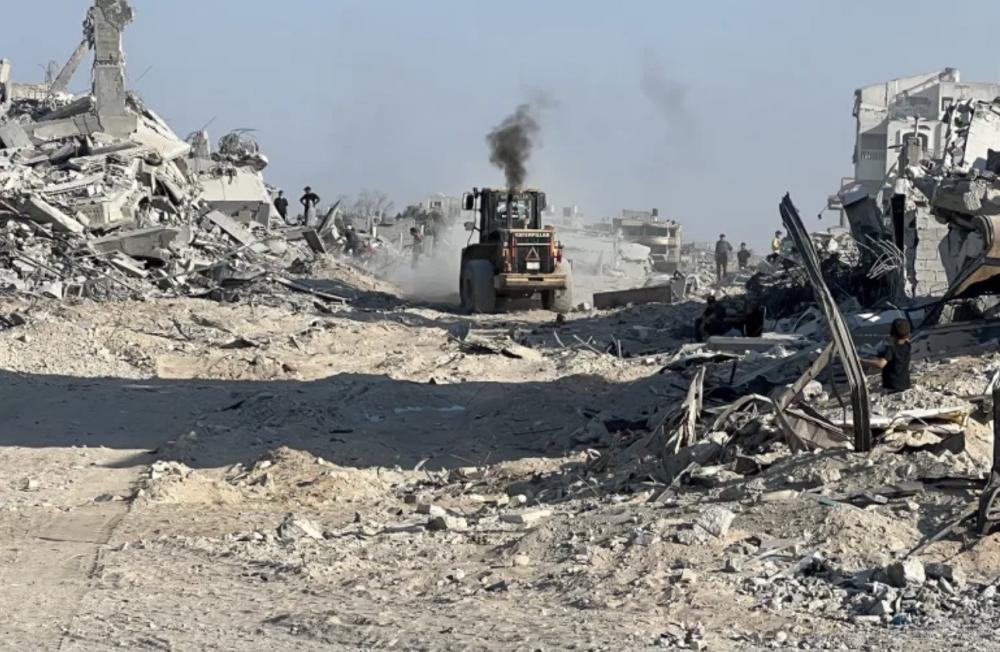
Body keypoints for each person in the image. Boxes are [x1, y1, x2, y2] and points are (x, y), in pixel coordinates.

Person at [862, 318, 912, 393]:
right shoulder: (908, 345)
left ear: (892, 333)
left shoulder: (891, 349)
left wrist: (862, 361)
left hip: (892, 386)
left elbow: (881, 364)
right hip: (905, 384)